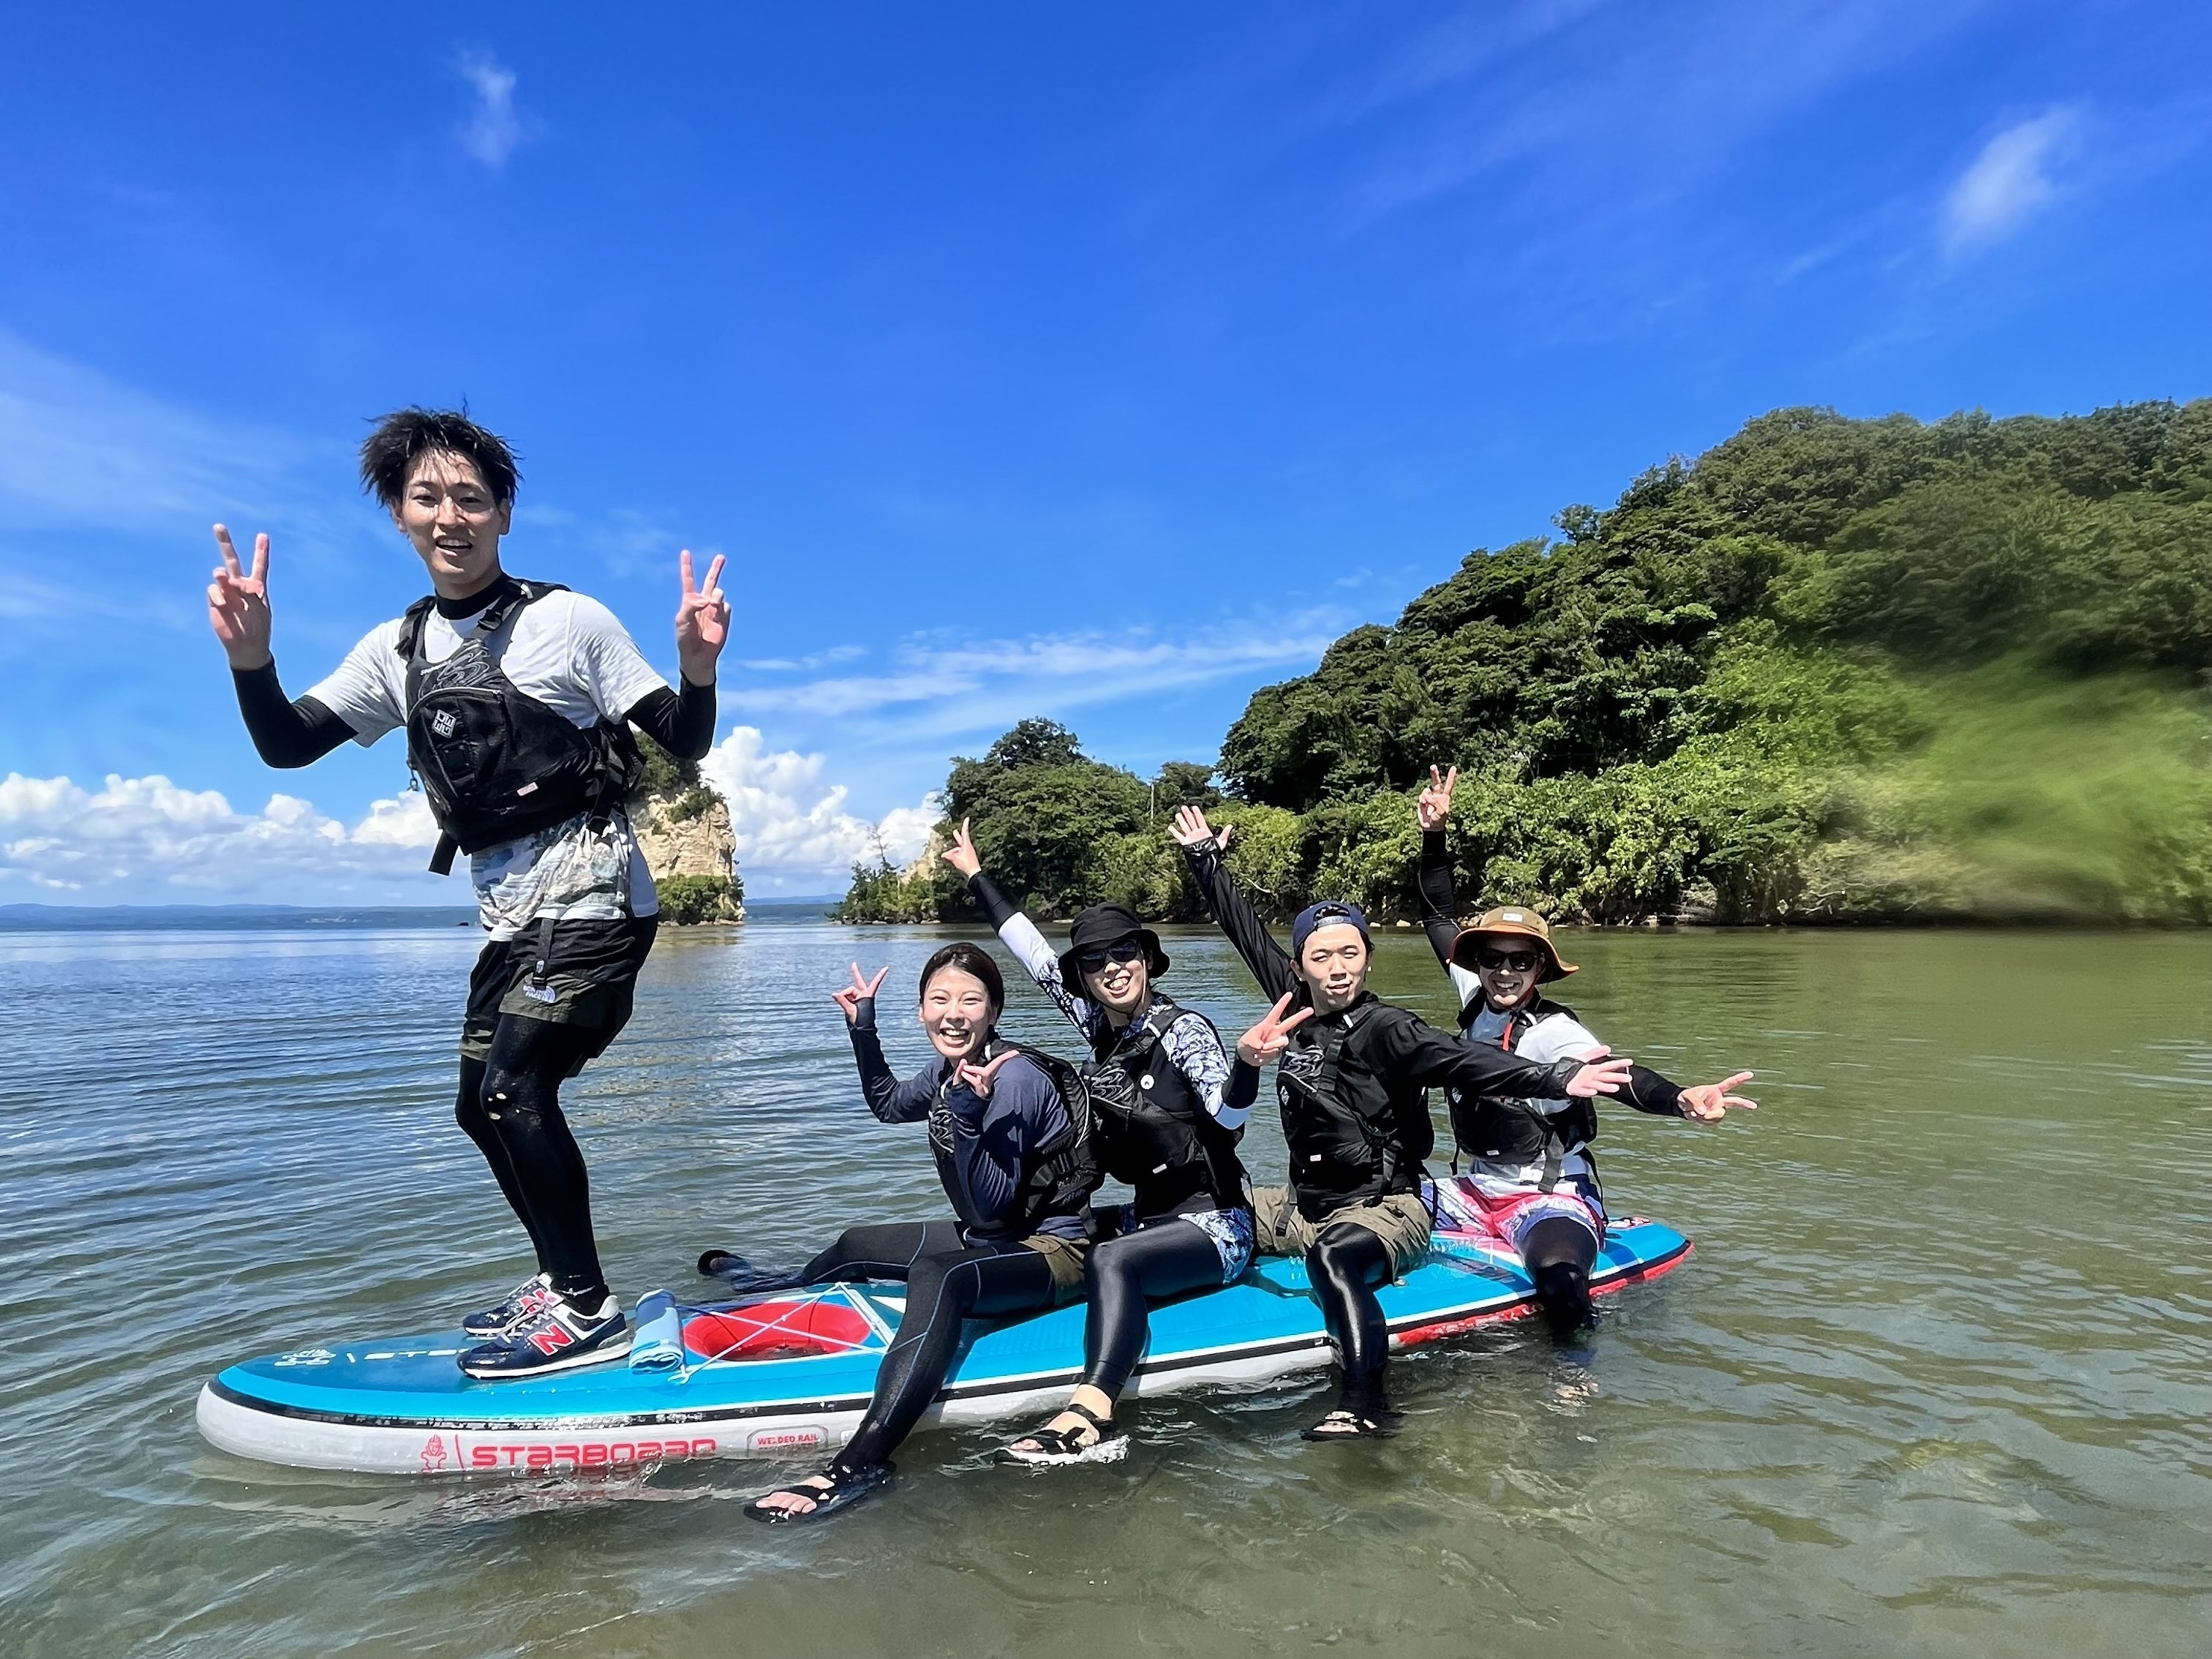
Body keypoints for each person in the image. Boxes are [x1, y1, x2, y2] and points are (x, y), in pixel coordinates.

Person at [204, 407, 729, 1377]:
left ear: (503, 515)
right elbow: (285, 745)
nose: (451, 516)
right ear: (401, 516)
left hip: (597, 895)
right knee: (475, 1104)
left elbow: (682, 738)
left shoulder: (569, 621)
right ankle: (561, 1279)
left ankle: (586, 1310)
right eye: (427, 498)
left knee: (515, 1088)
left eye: (472, 498)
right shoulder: (395, 649)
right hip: (509, 915)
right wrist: (251, 660)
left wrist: (698, 674)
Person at [1166, 805, 1634, 1440]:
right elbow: (1247, 933)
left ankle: (1366, 1406)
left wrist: (1555, 1079)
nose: (1337, 968)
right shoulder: (1294, 1007)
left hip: (1385, 1209)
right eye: (1321, 956)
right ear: (1300, 966)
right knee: (1195, 1200)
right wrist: (1204, 861)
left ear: (1368, 960)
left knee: (1332, 1259)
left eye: (1350, 953)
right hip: (1303, 1205)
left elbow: (1469, 1062)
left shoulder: (1391, 1028)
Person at [735, 944, 1101, 1521]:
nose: (953, 1014)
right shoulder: (948, 1069)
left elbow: (990, 1207)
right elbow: (888, 1105)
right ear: (921, 1010)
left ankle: (862, 1462)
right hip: (992, 1236)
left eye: (970, 1001)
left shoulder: (1013, 1079)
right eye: (939, 1000)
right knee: (856, 1245)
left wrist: (968, 1115)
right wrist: (863, 1027)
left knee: (937, 1275)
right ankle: (772, 1286)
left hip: (1053, 1249)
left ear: (994, 1011)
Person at [936, 821, 1254, 1467]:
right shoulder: (1100, 1025)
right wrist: (976, 876)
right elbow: (1033, 954)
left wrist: (1247, 1065)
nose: (1112, 968)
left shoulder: (1185, 1030)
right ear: (1082, 976)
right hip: (1147, 1217)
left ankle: (1092, 1410)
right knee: (1044, 1230)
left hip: (1217, 1225)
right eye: (1094, 961)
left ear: (1146, 958)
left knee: (1110, 1260)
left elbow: (1227, 1119)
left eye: (1124, 952)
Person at [1410, 765, 1756, 1338]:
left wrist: (1680, 1100)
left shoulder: (1554, 1031)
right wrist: (1434, 835)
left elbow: (1620, 1075)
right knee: (1364, 1199)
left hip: (1549, 1197)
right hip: (1472, 1190)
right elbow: (1437, 915)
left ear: (1540, 969)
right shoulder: (1474, 995)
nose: (1504, 971)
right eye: (1492, 958)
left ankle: (1573, 1373)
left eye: (1521, 961)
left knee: (1558, 1281)